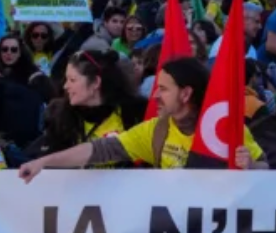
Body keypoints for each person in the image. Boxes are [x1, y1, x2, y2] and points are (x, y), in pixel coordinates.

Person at [19, 57, 262, 173]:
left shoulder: (224, 128)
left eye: (164, 89)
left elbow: (271, 172)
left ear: (186, 93)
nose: (155, 95)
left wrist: (251, 167)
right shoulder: (156, 129)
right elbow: (99, 150)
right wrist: (44, 162)